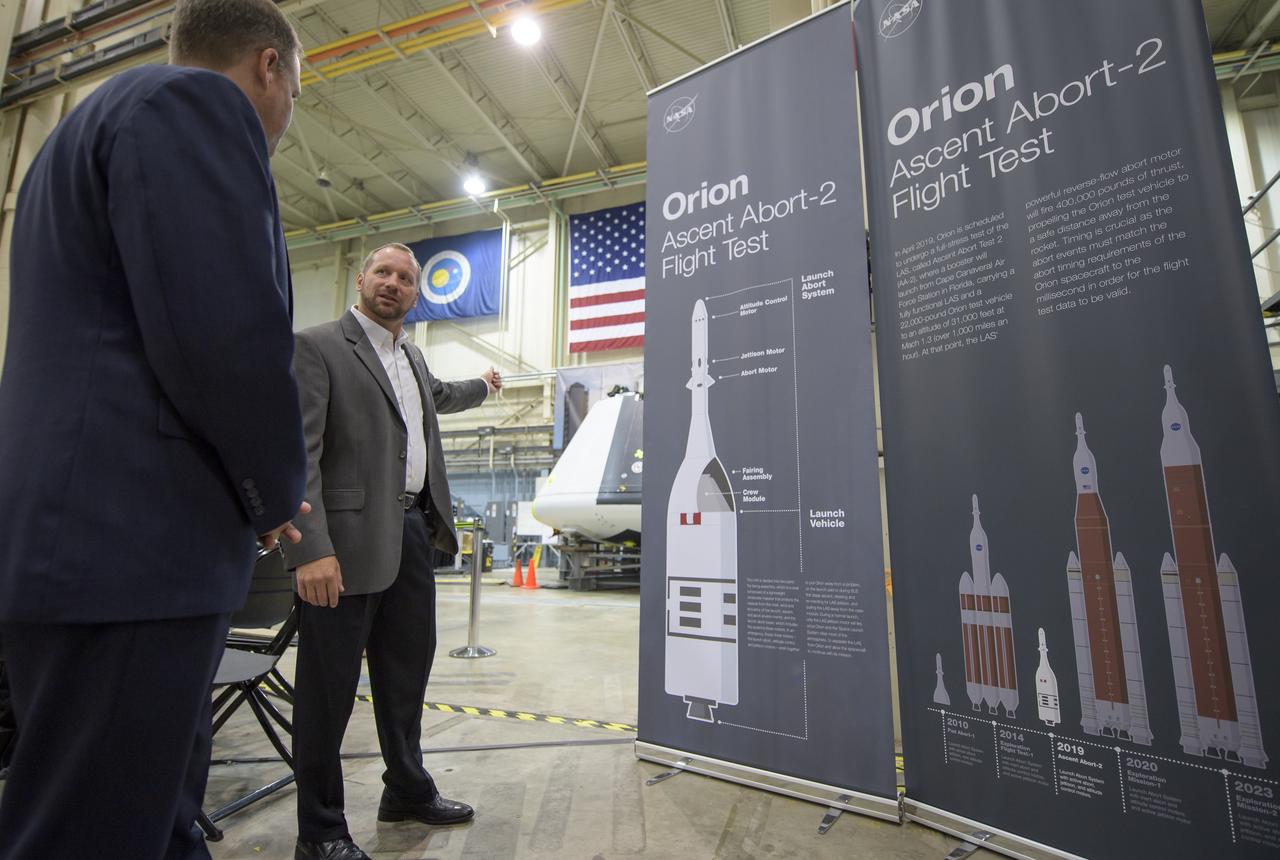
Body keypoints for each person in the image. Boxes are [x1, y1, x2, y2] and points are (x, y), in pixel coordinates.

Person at [0, 0, 309, 856]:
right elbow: (223, 332)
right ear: (268, 66)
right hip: (132, 545)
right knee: (94, 832)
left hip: (75, 544)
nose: (284, 119)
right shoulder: (193, 105)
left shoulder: (71, 139)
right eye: (294, 92)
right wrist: (275, 489)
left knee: (148, 817)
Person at [289, 243, 501, 860]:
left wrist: (484, 387)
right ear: (360, 280)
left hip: (413, 533)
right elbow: (298, 453)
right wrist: (311, 549)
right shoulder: (318, 346)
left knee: (406, 675)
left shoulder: (408, 355)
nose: (393, 283)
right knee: (327, 692)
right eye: (383, 272)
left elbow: (443, 395)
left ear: (416, 294)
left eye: (406, 278)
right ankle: (321, 829)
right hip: (344, 544)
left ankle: (406, 788)